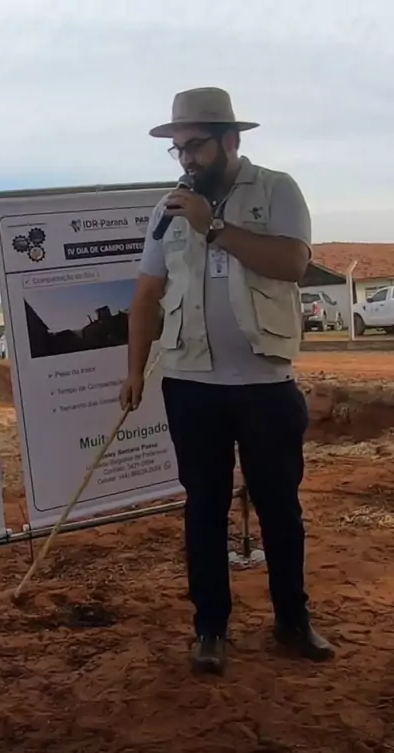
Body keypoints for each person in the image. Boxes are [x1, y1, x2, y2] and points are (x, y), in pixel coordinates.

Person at [120, 87, 334, 675]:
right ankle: (210, 629)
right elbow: (146, 294)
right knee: (204, 508)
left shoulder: (276, 190)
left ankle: (292, 621)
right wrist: (134, 370)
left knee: (279, 508)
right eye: (179, 148)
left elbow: (292, 264)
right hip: (190, 384)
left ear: (230, 140)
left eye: (197, 146)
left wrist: (213, 227)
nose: (187, 158)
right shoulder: (168, 211)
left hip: (265, 382)